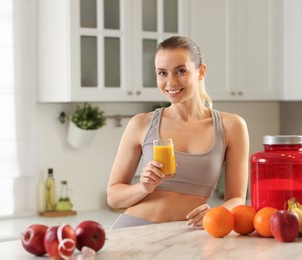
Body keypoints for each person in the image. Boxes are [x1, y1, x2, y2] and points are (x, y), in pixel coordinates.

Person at [107, 36, 249, 229]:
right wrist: (143, 187)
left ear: (201, 72)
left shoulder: (231, 126)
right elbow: (114, 198)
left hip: (188, 236)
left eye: (180, 71)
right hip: (134, 231)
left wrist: (217, 213)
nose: (171, 82)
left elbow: (237, 199)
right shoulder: (141, 124)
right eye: (162, 73)